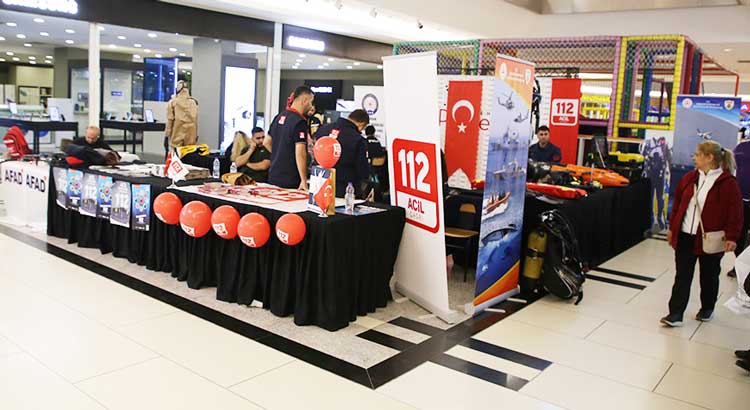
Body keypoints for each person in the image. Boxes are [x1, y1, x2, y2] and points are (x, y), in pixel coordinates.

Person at [661, 141, 743, 327]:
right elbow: (678, 205)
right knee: (682, 276)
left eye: (698, 154)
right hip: (685, 235)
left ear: (709, 157)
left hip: (710, 239)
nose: (694, 157)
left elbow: (735, 212)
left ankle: (707, 307)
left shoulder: (728, 183)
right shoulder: (689, 178)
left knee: (709, 275)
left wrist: (732, 236)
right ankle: (675, 313)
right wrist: (672, 228)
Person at [264, 86, 314, 189]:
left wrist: (279, 156)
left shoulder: (278, 117)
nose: (311, 106)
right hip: (290, 178)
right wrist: (303, 180)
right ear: (304, 100)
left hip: (273, 175)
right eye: (310, 102)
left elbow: (266, 142)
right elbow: (300, 153)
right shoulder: (299, 122)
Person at [314, 109, 370, 197]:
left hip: (319, 183)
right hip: (345, 188)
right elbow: (362, 168)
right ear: (361, 124)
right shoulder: (358, 139)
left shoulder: (323, 129)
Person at [728, 134, 750, 277]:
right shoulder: (741, 147)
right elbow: (731, 165)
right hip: (741, 200)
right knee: (739, 235)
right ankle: (740, 267)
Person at [165, 80, 199, 151]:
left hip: (176, 134)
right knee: (189, 154)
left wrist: (167, 135)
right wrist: (195, 135)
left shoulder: (173, 102)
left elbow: (170, 120)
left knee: (175, 154)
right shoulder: (194, 103)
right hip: (191, 135)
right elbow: (195, 121)